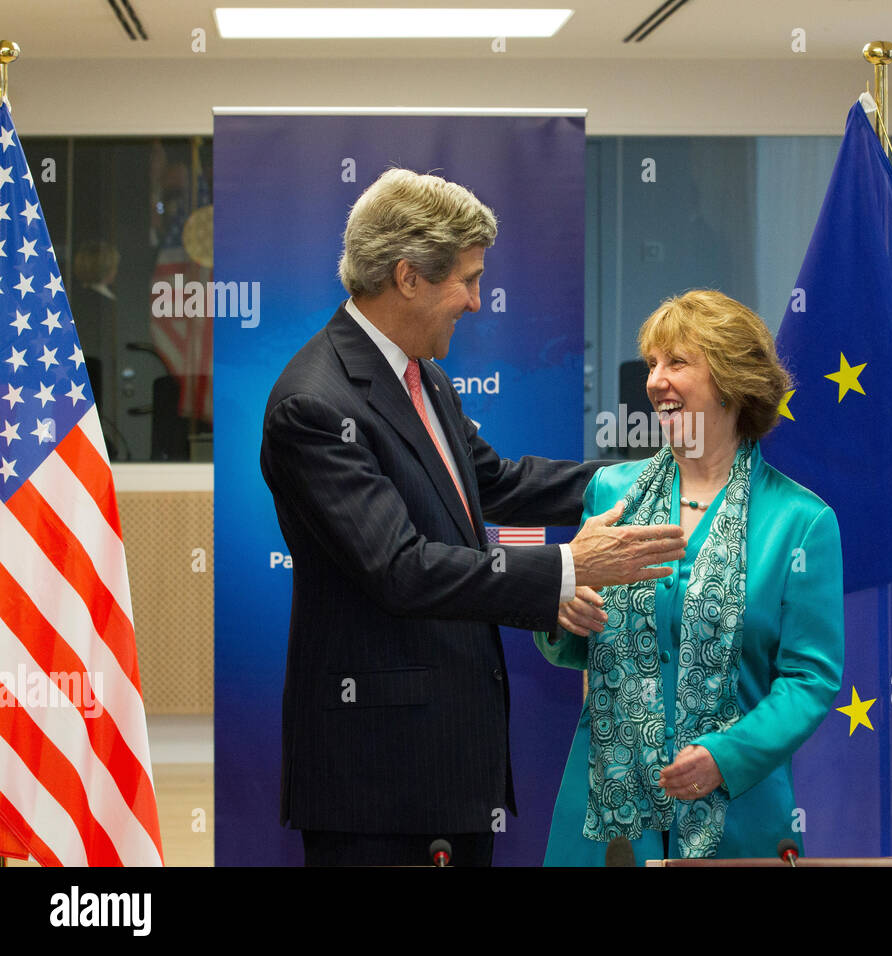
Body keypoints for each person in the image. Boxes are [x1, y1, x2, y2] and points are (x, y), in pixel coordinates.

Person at [260, 169, 686, 866]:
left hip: (449, 767)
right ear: (407, 277)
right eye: (467, 279)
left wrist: (643, 478)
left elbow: (493, 482)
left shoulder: (423, 375)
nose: (478, 302)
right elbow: (399, 569)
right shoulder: (316, 403)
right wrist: (572, 566)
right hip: (377, 782)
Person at [535, 290, 844, 864]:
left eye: (677, 363)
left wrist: (727, 757)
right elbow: (572, 644)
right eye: (652, 364)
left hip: (739, 811)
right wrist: (562, 614)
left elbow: (810, 678)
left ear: (731, 381)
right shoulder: (611, 495)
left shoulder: (801, 522)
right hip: (606, 823)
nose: (655, 381)